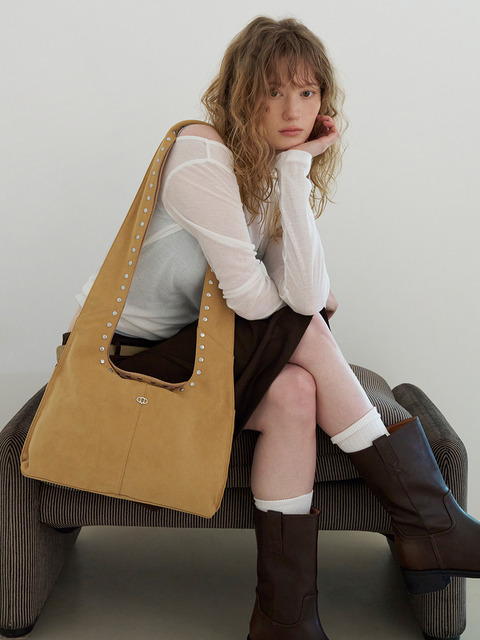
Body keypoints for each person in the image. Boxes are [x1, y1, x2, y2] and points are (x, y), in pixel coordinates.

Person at [66, 16, 480, 640]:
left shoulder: (270, 173)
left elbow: (305, 296)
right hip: (123, 360)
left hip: (194, 355)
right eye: (274, 91)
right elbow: (263, 306)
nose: (293, 110)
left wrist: (293, 173)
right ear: (241, 95)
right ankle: (430, 522)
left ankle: (285, 617)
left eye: (308, 92)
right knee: (302, 332)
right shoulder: (200, 154)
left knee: (295, 391)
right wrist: (302, 296)